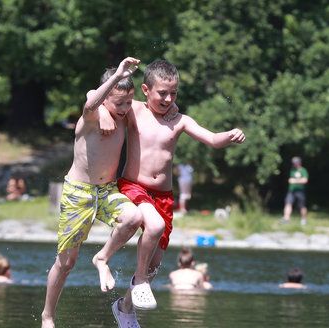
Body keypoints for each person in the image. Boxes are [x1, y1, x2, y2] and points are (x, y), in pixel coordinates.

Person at [98, 59, 245, 325]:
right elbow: (104, 101)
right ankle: (138, 279)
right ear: (145, 89)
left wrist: (229, 135)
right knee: (152, 228)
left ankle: (125, 306)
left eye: (173, 93)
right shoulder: (134, 111)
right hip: (134, 186)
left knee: (154, 264)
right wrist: (103, 115)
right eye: (162, 93)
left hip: (163, 196)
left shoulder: (179, 121)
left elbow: (211, 139)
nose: (167, 99)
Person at [40, 57, 150, 328]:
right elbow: (90, 101)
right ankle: (48, 315)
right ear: (106, 100)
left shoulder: (124, 115)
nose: (125, 109)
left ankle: (102, 257)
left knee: (134, 218)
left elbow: (150, 103)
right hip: (79, 193)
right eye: (119, 103)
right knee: (66, 263)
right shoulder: (91, 117)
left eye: (128, 102)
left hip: (107, 190)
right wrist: (107, 96)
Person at [282, 156, 309, 225]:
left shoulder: (303, 170)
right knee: (288, 203)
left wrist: (295, 181)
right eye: (293, 163)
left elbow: (305, 180)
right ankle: (286, 219)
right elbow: (290, 180)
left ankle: (304, 219)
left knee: (302, 206)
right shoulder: (292, 170)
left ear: (299, 163)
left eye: (295, 163)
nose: (294, 164)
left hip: (300, 191)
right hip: (291, 190)